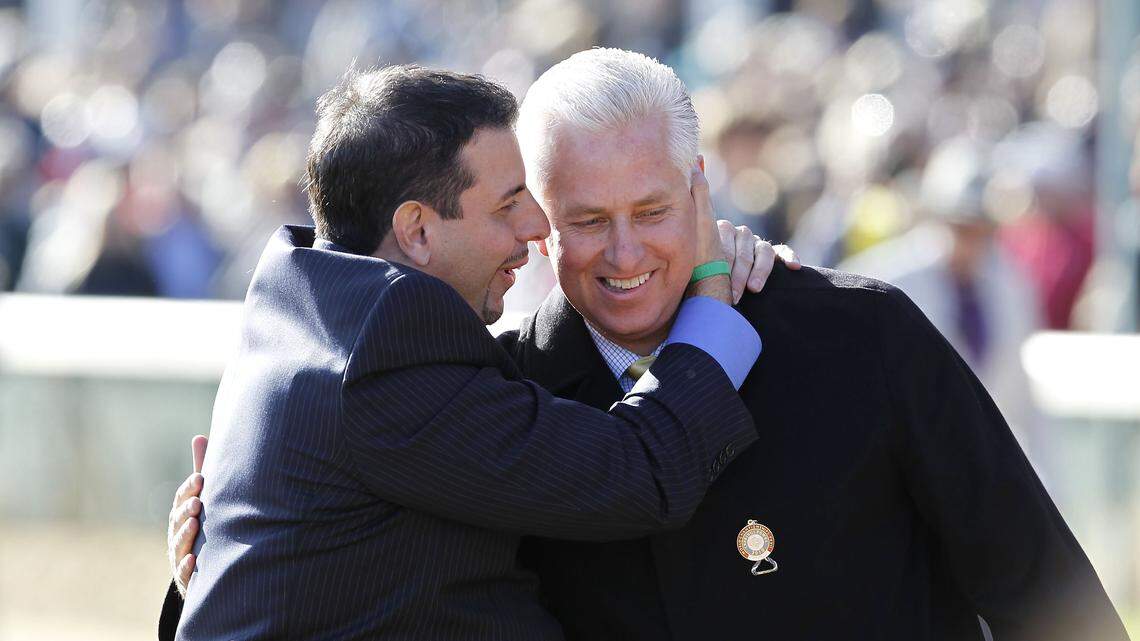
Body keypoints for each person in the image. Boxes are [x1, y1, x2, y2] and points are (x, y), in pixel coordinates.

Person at [169, 50, 1130, 639]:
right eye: (583, 218)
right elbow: (343, 582)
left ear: (702, 191)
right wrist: (201, 573)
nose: (625, 253)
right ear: (543, 220)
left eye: (655, 210)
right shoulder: (503, 389)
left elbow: (1043, 589)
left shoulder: (859, 336)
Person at [164, 64, 788, 641]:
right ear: (417, 231)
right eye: (508, 204)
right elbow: (640, 474)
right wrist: (709, 290)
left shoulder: (309, 302)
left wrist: (204, 563)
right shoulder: (393, 335)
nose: (536, 228)